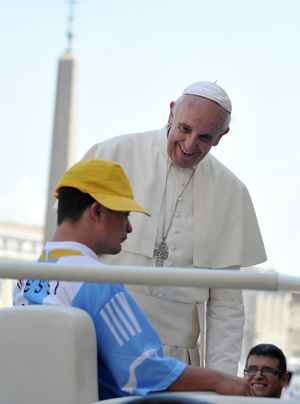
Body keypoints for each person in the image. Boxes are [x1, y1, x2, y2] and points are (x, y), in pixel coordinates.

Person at [13, 160, 252, 400]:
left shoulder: (25, 279)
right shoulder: (95, 280)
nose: (129, 228)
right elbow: (142, 371)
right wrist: (221, 380)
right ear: (97, 211)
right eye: (124, 214)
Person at [82, 81, 267, 374]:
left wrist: (220, 382)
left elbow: (226, 308)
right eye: (184, 129)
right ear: (171, 113)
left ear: (222, 136)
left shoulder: (231, 192)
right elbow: (72, 250)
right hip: (99, 342)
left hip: (175, 359)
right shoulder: (112, 154)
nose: (190, 145)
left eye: (205, 137)